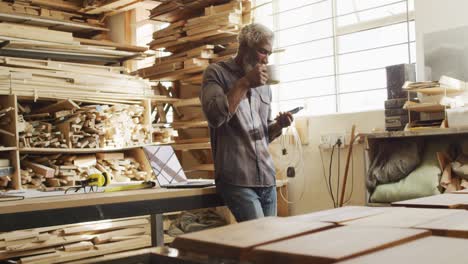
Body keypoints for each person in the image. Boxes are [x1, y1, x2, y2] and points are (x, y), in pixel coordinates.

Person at [200, 23, 293, 222]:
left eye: (269, 53)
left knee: (269, 244)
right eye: (262, 52)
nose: (266, 59)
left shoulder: (265, 84)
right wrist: (244, 83)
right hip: (236, 178)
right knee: (258, 239)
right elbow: (215, 117)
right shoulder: (216, 73)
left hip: (267, 178)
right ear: (244, 47)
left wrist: (279, 126)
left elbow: (262, 135)